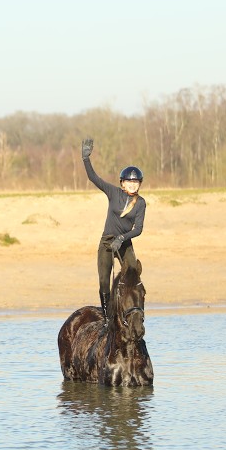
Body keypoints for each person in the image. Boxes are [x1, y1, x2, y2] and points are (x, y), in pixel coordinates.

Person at [81, 137, 145, 331]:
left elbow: (138, 229)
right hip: (107, 242)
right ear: (122, 183)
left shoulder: (140, 203)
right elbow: (94, 178)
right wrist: (86, 158)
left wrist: (122, 238)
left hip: (124, 243)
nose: (132, 184)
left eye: (135, 182)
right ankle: (108, 320)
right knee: (104, 281)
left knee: (134, 277)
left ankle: (134, 313)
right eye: (129, 181)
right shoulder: (113, 193)